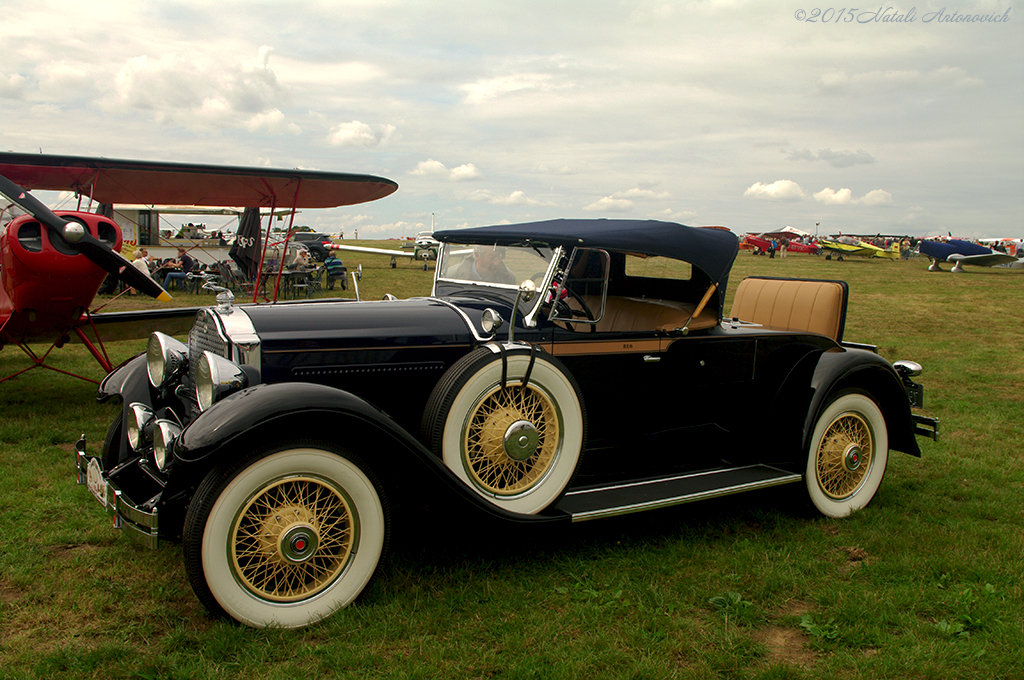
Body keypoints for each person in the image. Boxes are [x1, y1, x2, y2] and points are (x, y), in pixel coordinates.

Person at [450, 245, 516, 284]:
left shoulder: (508, 278)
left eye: (499, 257)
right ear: (477, 255)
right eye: (491, 257)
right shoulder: (451, 277)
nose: (496, 263)